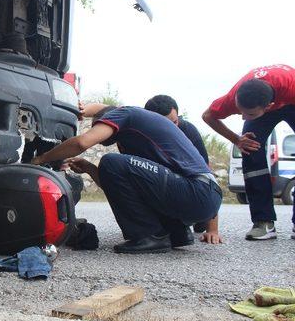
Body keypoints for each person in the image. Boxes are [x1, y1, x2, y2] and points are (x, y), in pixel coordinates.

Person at [31, 104, 222, 254]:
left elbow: (82, 142)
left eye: (97, 125)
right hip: (202, 196)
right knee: (113, 165)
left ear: (106, 120)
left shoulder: (123, 114)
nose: (96, 129)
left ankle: (149, 236)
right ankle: (177, 233)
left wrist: (41, 159)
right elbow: (118, 188)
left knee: (111, 161)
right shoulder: (137, 136)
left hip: (197, 191)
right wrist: (90, 169)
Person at [202, 64, 295, 241]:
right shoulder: (234, 97)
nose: (243, 118)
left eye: (249, 114)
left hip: (291, 99)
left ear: (269, 107)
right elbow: (208, 116)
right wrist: (236, 139)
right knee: (249, 148)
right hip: (267, 97)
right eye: (240, 112)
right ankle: (263, 222)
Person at [145, 95, 222, 244]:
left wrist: (212, 230)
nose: (172, 129)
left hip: (189, 183)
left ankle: (200, 218)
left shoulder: (188, 131)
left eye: (175, 122)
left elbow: (206, 175)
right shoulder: (141, 135)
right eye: (165, 125)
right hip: (163, 183)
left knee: (201, 213)